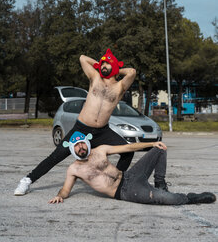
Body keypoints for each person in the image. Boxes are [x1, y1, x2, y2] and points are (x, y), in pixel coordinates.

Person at [14, 49, 136, 196]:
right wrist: (100, 65)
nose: (103, 66)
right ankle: (27, 180)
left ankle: (117, 183)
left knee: (128, 151)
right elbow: (83, 58)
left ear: (114, 68)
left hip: (102, 131)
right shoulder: (95, 78)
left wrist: (115, 68)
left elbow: (132, 72)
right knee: (56, 156)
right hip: (81, 129)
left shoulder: (120, 87)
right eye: (102, 64)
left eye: (107, 64)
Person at [48, 132, 216, 206]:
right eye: (77, 146)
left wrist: (152, 143)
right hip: (125, 192)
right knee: (165, 199)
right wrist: (59, 196)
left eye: (82, 143)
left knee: (160, 149)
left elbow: (128, 148)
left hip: (130, 175)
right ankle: (189, 198)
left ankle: (160, 183)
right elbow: (65, 190)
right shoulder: (74, 169)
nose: (81, 147)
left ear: (87, 142)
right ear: (72, 149)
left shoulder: (100, 150)